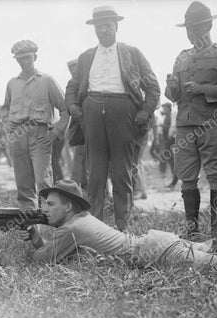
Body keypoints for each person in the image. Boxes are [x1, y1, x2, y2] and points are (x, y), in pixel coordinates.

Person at [19, 179, 217, 271]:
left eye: (50, 204)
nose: (44, 209)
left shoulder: (72, 228)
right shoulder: (82, 219)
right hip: (157, 242)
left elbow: (42, 261)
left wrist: (35, 238)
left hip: (160, 253)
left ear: (68, 206)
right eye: (43, 204)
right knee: (214, 246)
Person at [65, 5, 160, 231]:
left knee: (122, 172)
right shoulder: (86, 57)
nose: (103, 30)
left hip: (123, 114)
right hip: (92, 115)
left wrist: (145, 111)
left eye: (107, 25)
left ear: (116, 26)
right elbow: (72, 86)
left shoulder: (132, 53)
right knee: (95, 174)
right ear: (94, 30)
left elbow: (153, 86)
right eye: (99, 26)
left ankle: (122, 228)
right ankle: (95, 227)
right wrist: (72, 107)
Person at [165, 1, 217, 238]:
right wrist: (171, 88)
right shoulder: (181, 57)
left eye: (197, 28)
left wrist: (202, 88)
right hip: (185, 125)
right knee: (187, 177)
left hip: (213, 124)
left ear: (208, 25)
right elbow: (173, 95)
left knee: (215, 175)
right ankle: (192, 230)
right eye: (189, 29)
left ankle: (216, 231)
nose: (192, 33)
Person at [1, 40, 69, 210]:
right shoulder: (12, 83)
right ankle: (29, 224)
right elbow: (5, 108)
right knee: (23, 183)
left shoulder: (47, 80)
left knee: (43, 180)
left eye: (27, 58)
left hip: (40, 135)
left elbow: (65, 108)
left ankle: (48, 218)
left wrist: (56, 132)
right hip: (17, 135)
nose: (24, 62)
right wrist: (8, 126)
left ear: (35, 57)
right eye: (20, 58)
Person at [67, 59, 88, 191]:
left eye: (76, 68)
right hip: (79, 130)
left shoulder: (89, 83)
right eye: (71, 69)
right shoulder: (73, 86)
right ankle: (78, 189)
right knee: (79, 161)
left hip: (93, 127)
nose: (74, 71)